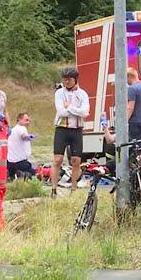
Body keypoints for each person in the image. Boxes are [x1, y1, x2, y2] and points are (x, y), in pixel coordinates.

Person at [51, 67, 90, 198]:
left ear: (75, 80)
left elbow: (85, 113)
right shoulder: (59, 93)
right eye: (64, 79)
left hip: (77, 130)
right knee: (58, 159)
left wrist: (70, 107)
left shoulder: (82, 94)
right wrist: (76, 110)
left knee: (76, 161)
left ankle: (74, 189)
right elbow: (61, 112)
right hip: (62, 128)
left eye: (69, 79)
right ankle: (54, 189)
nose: (66, 82)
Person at [7, 112, 36, 180]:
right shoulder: (22, 128)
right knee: (34, 174)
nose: (28, 122)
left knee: (12, 178)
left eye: (29, 121)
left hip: (10, 162)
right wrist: (28, 137)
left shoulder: (13, 130)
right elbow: (23, 136)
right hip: (20, 162)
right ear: (19, 119)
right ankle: (22, 175)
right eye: (26, 120)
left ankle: (12, 175)